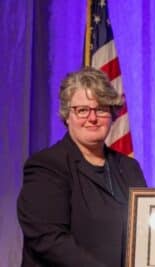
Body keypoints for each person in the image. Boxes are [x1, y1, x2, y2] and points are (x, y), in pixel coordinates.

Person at [17, 67, 147, 267]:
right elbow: (49, 240)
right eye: (82, 110)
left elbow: (145, 231)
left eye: (101, 109)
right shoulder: (46, 166)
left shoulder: (129, 168)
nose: (93, 118)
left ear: (112, 114)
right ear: (67, 116)